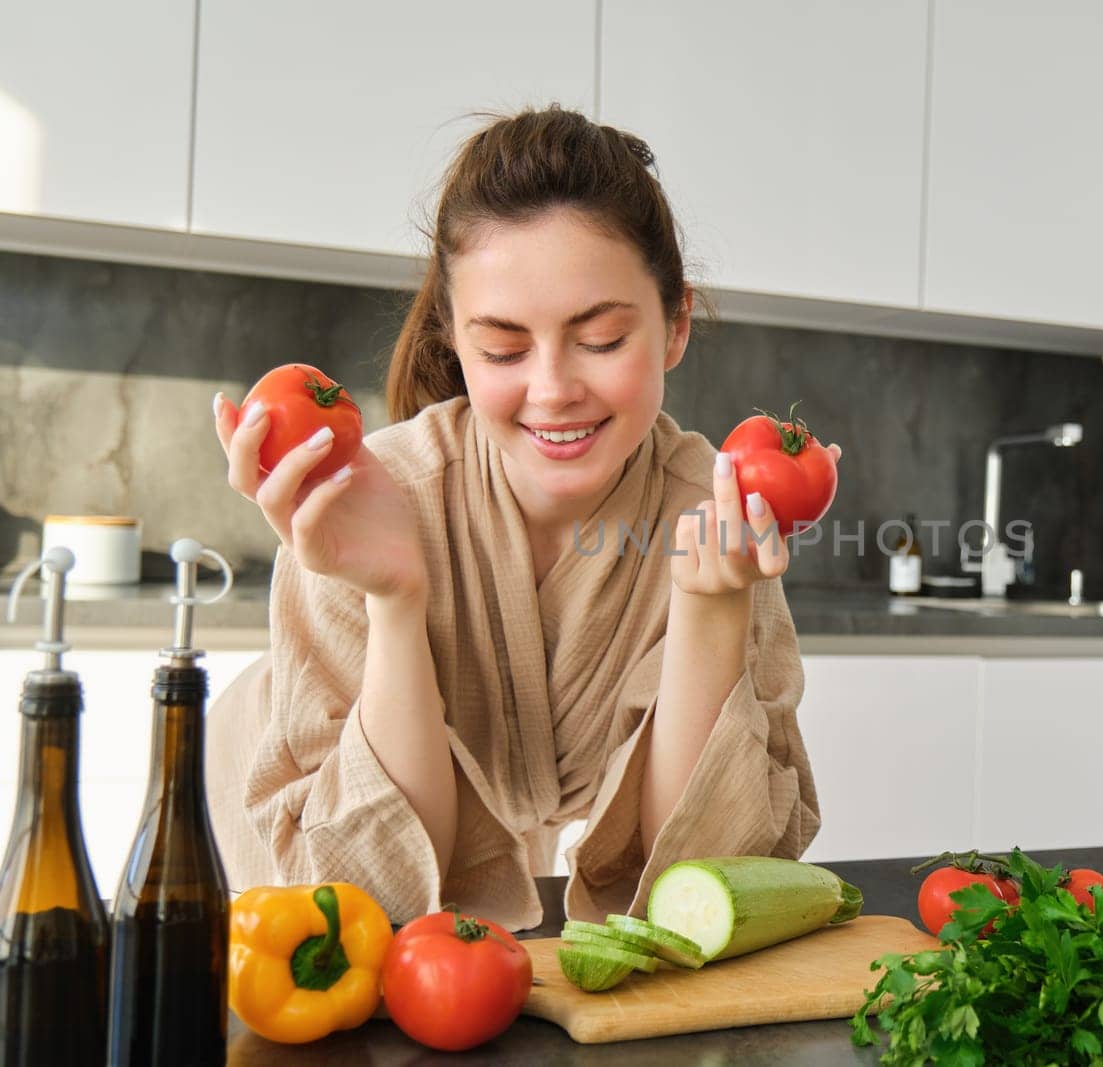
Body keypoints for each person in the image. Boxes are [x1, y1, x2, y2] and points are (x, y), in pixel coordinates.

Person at [203, 105, 838, 930]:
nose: (552, 388)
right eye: (503, 350)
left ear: (675, 323)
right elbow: (374, 893)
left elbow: (705, 884)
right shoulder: (363, 500)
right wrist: (396, 600)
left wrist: (714, 609)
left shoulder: (711, 516)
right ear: (456, 341)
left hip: (513, 834)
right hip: (296, 824)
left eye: (602, 339)